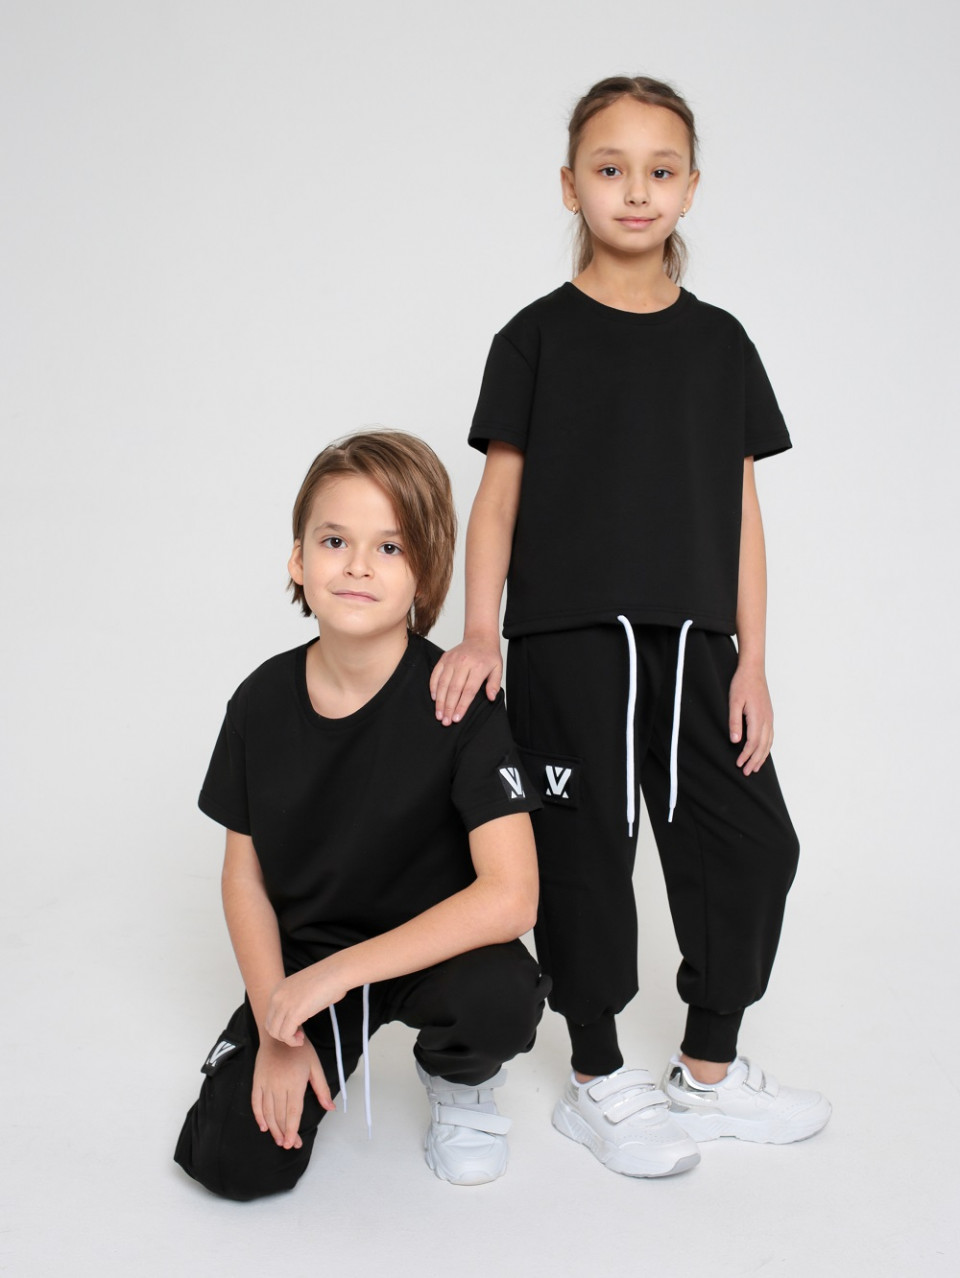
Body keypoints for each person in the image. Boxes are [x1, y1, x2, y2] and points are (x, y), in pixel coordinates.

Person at [430, 75, 830, 1179]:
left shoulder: (721, 344)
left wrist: (754, 658)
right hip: (569, 642)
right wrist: (479, 633)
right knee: (587, 857)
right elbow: (497, 502)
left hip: (697, 647)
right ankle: (599, 1077)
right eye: (611, 169)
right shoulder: (535, 339)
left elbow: (742, 512)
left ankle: (708, 1072)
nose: (636, 191)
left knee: (753, 844)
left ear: (691, 188)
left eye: (661, 170)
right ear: (571, 186)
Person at [174, 431, 549, 1200]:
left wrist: (340, 975)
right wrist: (277, 1022)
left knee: (500, 995)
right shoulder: (258, 704)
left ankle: (460, 1082)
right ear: (297, 559)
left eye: (389, 547)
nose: (356, 565)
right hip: (309, 956)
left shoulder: (460, 702)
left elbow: (513, 896)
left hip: (431, 953)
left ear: (426, 573)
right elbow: (243, 879)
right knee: (233, 1165)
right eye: (335, 540)